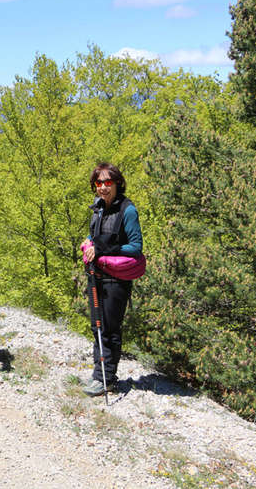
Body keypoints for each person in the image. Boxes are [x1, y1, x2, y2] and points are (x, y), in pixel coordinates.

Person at [80, 162, 143, 396]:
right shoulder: (98, 208)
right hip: (97, 275)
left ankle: (107, 378)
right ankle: (100, 374)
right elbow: (93, 235)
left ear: (117, 183)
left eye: (108, 182)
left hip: (116, 279)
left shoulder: (128, 210)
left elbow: (136, 247)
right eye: (99, 183)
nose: (103, 187)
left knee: (109, 327)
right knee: (96, 325)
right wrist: (88, 242)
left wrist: (101, 248)